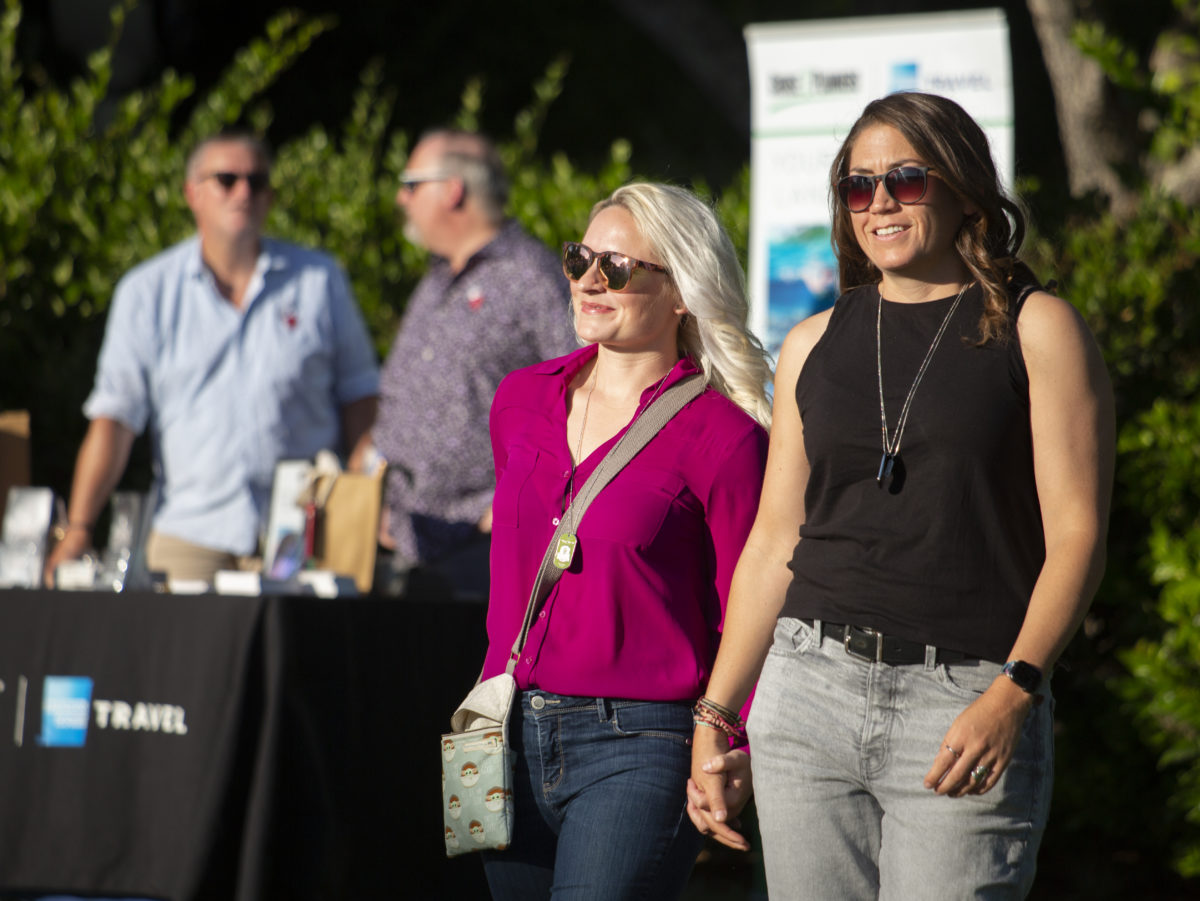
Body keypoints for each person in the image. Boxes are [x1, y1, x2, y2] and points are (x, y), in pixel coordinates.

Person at [687, 91, 1115, 899]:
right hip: (807, 690)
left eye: (906, 179)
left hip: (961, 700)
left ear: (961, 188)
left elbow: (1080, 536)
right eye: (858, 185)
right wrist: (716, 715)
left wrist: (1016, 686)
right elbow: (777, 540)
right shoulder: (812, 342)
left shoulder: (1037, 327)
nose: (879, 200)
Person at [477, 182, 772, 900]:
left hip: (641, 744)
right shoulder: (519, 400)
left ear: (682, 292)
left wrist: (735, 742)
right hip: (506, 729)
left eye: (616, 266)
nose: (587, 280)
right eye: (580, 259)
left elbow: (755, 609)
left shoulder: (726, 436)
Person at [45, 130, 379, 587]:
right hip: (192, 533)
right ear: (192, 193)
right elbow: (114, 420)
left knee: (303, 660)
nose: (243, 192)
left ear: (270, 197)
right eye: (226, 179)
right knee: (181, 658)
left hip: (307, 533)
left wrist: (369, 506)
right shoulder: (147, 292)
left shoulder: (319, 280)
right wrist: (80, 528)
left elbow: (361, 399)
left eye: (256, 182)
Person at [370, 129, 575, 599]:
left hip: (478, 551)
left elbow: (582, 396)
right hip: (401, 540)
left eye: (411, 184)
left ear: (452, 189)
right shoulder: (436, 279)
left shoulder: (529, 276)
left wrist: (516, 502)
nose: (401, 198)